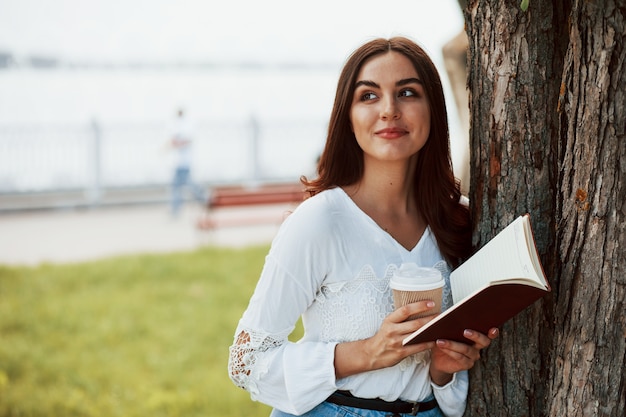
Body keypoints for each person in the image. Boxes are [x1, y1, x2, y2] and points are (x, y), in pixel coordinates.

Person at [228, 37, 498, 417]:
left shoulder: (461, 221)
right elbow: (246, 361)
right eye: (369, 96)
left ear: (433, 110)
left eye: (407, 92)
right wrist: (368, 352)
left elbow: (451, 382)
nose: (389, 110)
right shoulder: (320, 221)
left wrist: (442, 371)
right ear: (348, 116)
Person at [168, 108, 207, 217]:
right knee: (177, 187)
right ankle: (176, 208)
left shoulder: (186, 125)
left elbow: (187, 140)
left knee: (188, 185)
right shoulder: (176, 125)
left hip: (185, 163)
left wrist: (178, 143)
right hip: (178, 163)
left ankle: (203, 198)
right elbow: (173, 141)